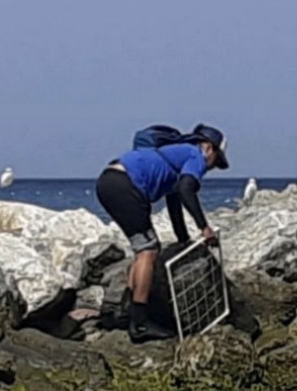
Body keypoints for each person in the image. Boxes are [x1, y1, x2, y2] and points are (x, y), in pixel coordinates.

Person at [95, 123, 229, 343]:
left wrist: (184, 241)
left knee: (142, 249)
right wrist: (204, 228)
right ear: (208, 148)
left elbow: (175, 205)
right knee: (149, 250)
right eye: (216, 161)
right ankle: (139, 324)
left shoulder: (175, 157)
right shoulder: (195, 155)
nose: (211, 168)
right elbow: (187, 190)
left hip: (109, 181)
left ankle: (127, 312)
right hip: (126, 185)